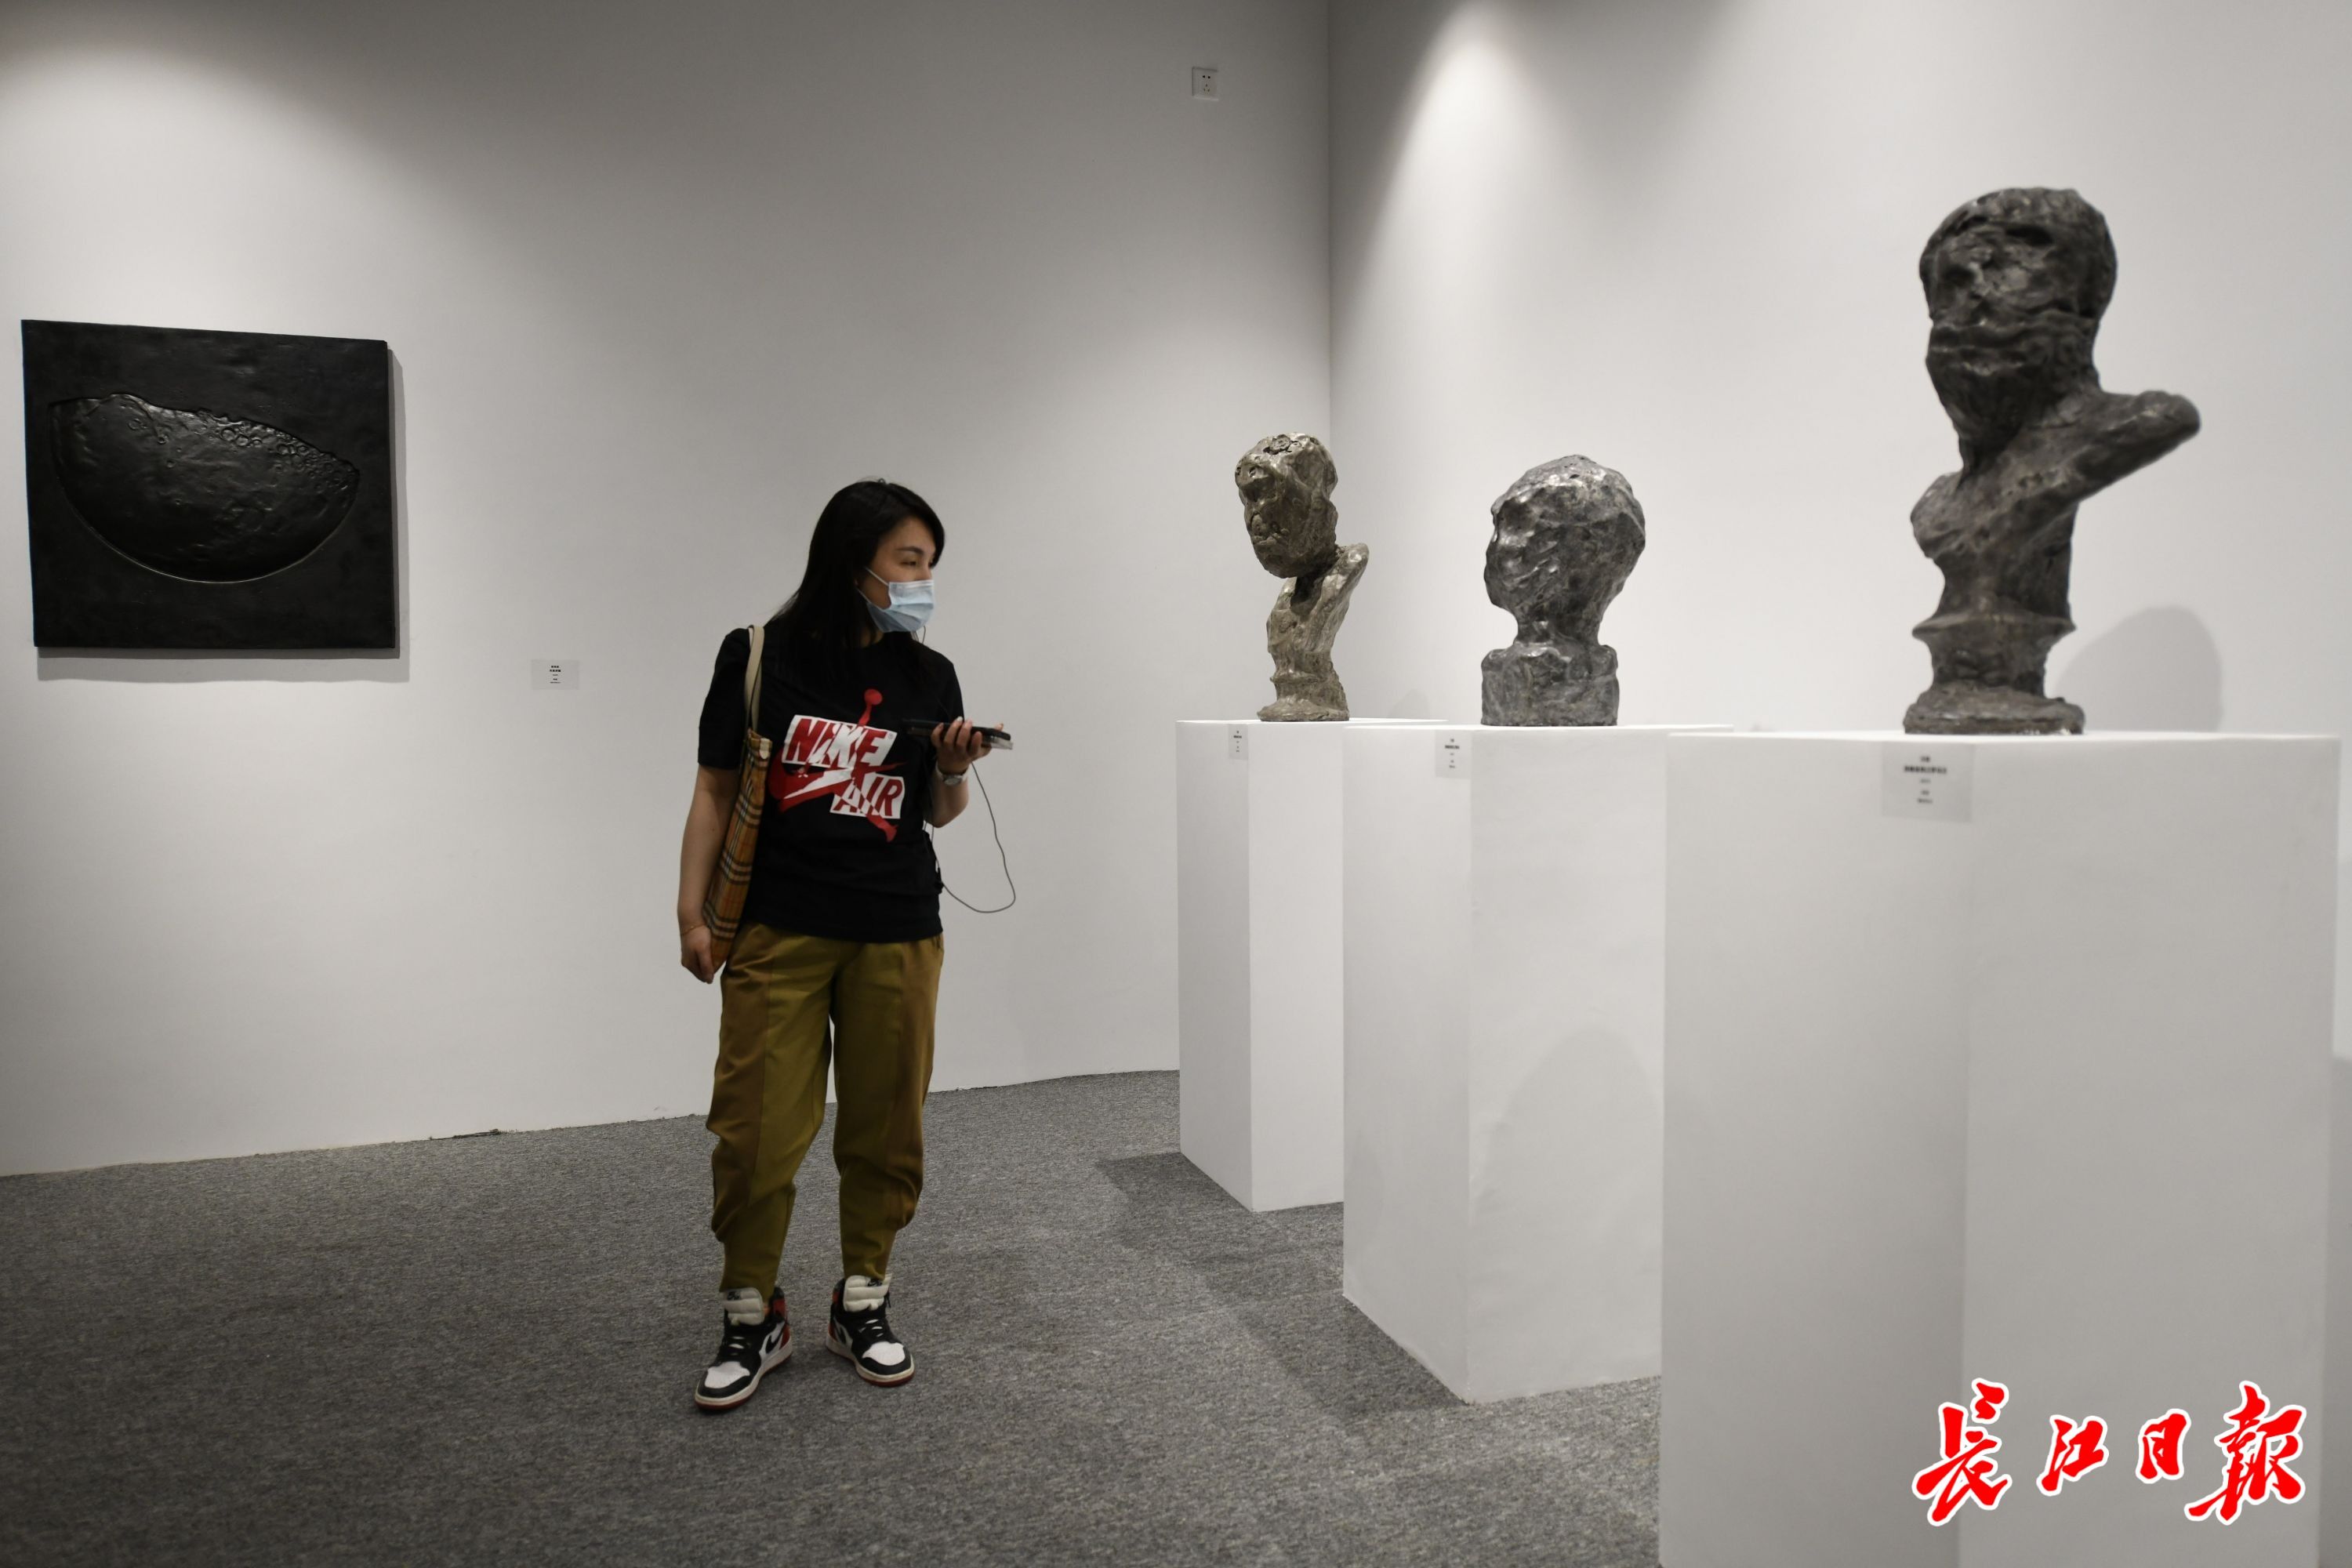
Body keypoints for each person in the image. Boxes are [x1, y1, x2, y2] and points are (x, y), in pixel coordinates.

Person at [674, 478, 993, 1410]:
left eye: (931, 564)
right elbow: (714, 788)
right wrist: (693, 914)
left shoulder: (930, 673)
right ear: (853, 561)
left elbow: (939, 810)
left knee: (886, 1126)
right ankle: (751, 1307)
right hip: (779, 925)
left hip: (898, 924)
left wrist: (953, 766)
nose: (923, 581)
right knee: (755, 1131)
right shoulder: (758, 656)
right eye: (909, 560)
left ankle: (863, 1296)